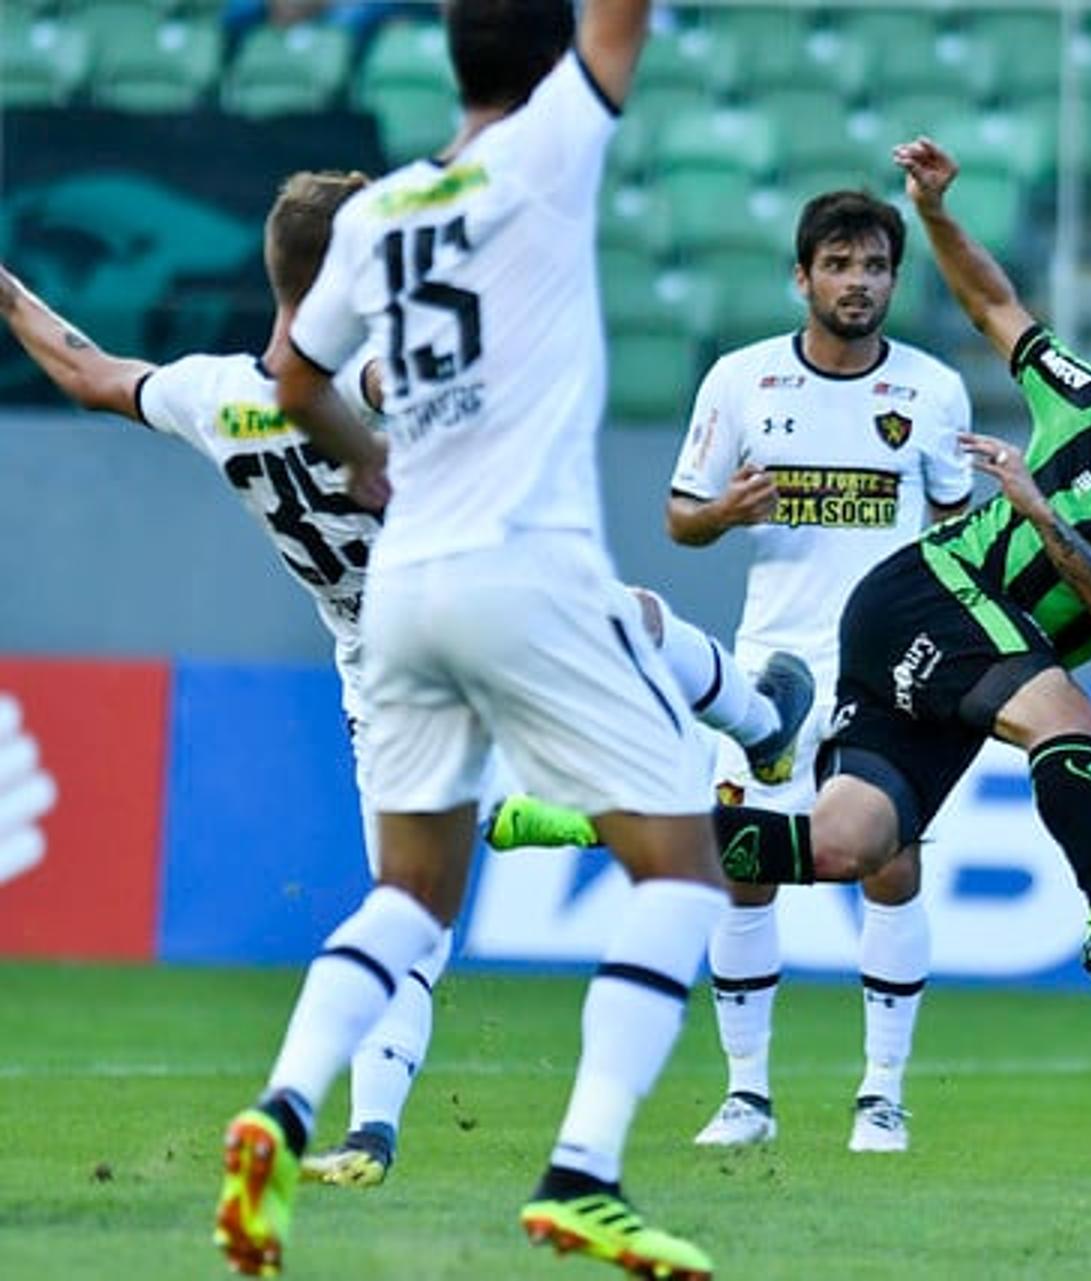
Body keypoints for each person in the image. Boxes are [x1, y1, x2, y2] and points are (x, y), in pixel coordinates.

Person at [0, 170, 809, 1199]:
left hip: (379, 666)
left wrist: (10, 293)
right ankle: (742, 719)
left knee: (409, 905)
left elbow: (88, 372)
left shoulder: (217, 396)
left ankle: (369, 1126)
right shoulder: (384, 379)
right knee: (625, 622)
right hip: (479, 619)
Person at [215, 0, 749, 1275]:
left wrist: (379, 466)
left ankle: (282, 1109)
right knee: (680, 873)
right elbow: (620, 24)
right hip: (526, 567)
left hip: (401, 590)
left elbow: (293, 376)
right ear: (549, 58)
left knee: (409, 894)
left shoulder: (380, 211)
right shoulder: (552, 145)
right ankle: (584, 1174)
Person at [702, 137, 1091, 989]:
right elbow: (994, 303)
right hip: (923, 593)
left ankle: (619, 821)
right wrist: (932, 211)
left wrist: (1037, 508)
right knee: (1069, 716)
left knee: (849, 844)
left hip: (965, 667)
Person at [488, 188, 975, 1155]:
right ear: (803, 279)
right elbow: (682, 515)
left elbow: (958, 533)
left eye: (874, 266)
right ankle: (747, 1093)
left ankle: (883, 1093)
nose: (858, 282)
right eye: (838, 265)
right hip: (774, 667)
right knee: (742, 873)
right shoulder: (741, 383)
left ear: (892, 279)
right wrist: (728, 513)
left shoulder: (932, 391)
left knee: (890, 861)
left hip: (889, 673)